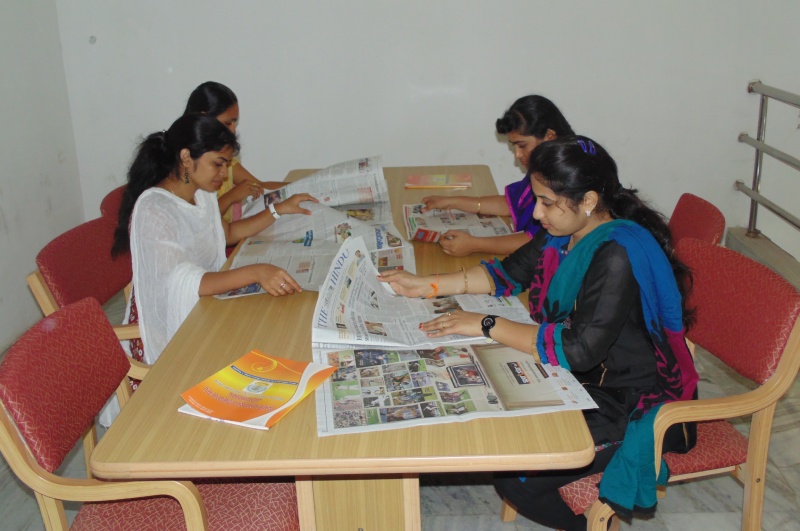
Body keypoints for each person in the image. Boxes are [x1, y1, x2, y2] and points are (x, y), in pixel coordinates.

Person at [380, 135, 698, 530]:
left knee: (519, 477)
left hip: (628, 399)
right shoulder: (565, 231)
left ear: (588, 201)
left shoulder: (616, 255)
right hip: (580, 378)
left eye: (547, 203)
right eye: (537, 199)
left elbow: (579, 349)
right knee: (487, 417)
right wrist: (425, 285)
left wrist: (486, 324)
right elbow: (506, 274)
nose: (536, 213)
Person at [112, 113, 317, 364]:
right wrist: (256, 272)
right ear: (186, 157)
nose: (223, 174)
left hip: (203, 308)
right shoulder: (155, 209)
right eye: (218, 164)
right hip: (167, 330)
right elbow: (185, 283)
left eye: (227, 165)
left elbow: (227, 234)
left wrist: (279, 209)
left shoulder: (202, 192)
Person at [420, 95, 574, 257]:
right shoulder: (543, 164)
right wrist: (452, 201)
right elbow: (512, 204)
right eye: (513, 146)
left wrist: (474, 244)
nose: (517, 154)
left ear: (549, 136)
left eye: (522, 145)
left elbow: (535, 242)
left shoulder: (567, 175)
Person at [184, 81, 286, 222]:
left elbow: (258, 186)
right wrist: (231, 197)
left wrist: (303, 185)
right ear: (204, 118)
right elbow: (197, 222)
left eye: (234, 123)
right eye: (228, 123)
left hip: (228, 235)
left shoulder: (224, 156)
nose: (233, 130)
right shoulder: (188, 164)